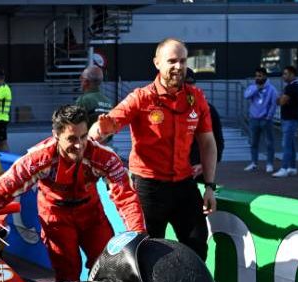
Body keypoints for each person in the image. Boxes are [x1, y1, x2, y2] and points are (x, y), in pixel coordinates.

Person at [0, 104, 145, 282]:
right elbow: (2, 188)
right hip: (56, 218)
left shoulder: (103, 156)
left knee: (108, 264)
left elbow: (126, 195)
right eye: (71, 139)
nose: (79, 145)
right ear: (56, 135)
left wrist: (137, 233)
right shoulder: (38, 158)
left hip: (92, 215)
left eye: (83, 137)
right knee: (68, 273)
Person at [89, 38, 218, 262]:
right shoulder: (141, 98)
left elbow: (208, 143)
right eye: (172, 61)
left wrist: (209, 187)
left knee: (197, 245)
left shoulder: (196, 98)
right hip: (148, 187)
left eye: (183, 60)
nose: (178, 66)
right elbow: (106, 124)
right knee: (147, 252)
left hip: (184, 184)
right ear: (157, 63)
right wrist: (96, 133)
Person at [185, 68, 224, 181]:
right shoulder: (168, 110)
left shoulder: (208, 109)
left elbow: (218, 141)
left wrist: (204, 165)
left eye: (191, 84)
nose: (188, 88)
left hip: (198, 171)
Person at [243, 66, 279, 173]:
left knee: (269, 143)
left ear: (265, 76)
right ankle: (254, 163)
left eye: (260, 76)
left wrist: (268, 117)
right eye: (256, 76)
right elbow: (246, 95)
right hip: (254, 119)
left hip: (266, 120)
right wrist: (256, 89)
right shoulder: (253, 87)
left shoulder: (272, 89)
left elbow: (273, 104)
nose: (258, 78)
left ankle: (269, 164)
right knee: (253, 142)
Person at [273, 65, 298, 178]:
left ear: (292, 74)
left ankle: (284, 168)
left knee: (286, 144)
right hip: (291, 118)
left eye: (285, 74)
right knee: (291, 144)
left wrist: (279, 98)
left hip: (290, 119)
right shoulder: (293, 86)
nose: (283, 76)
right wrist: (280, 99)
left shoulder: (291, 87)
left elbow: (280, 102)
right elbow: (280, 100)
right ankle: (292, 167)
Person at [75, 65, 113, 130]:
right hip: (106, 138)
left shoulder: (83, 100)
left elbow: (77, 125)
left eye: (81, 77)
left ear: (86, 82)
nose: (80, 79)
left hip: (89, 138)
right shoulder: (109, 102)